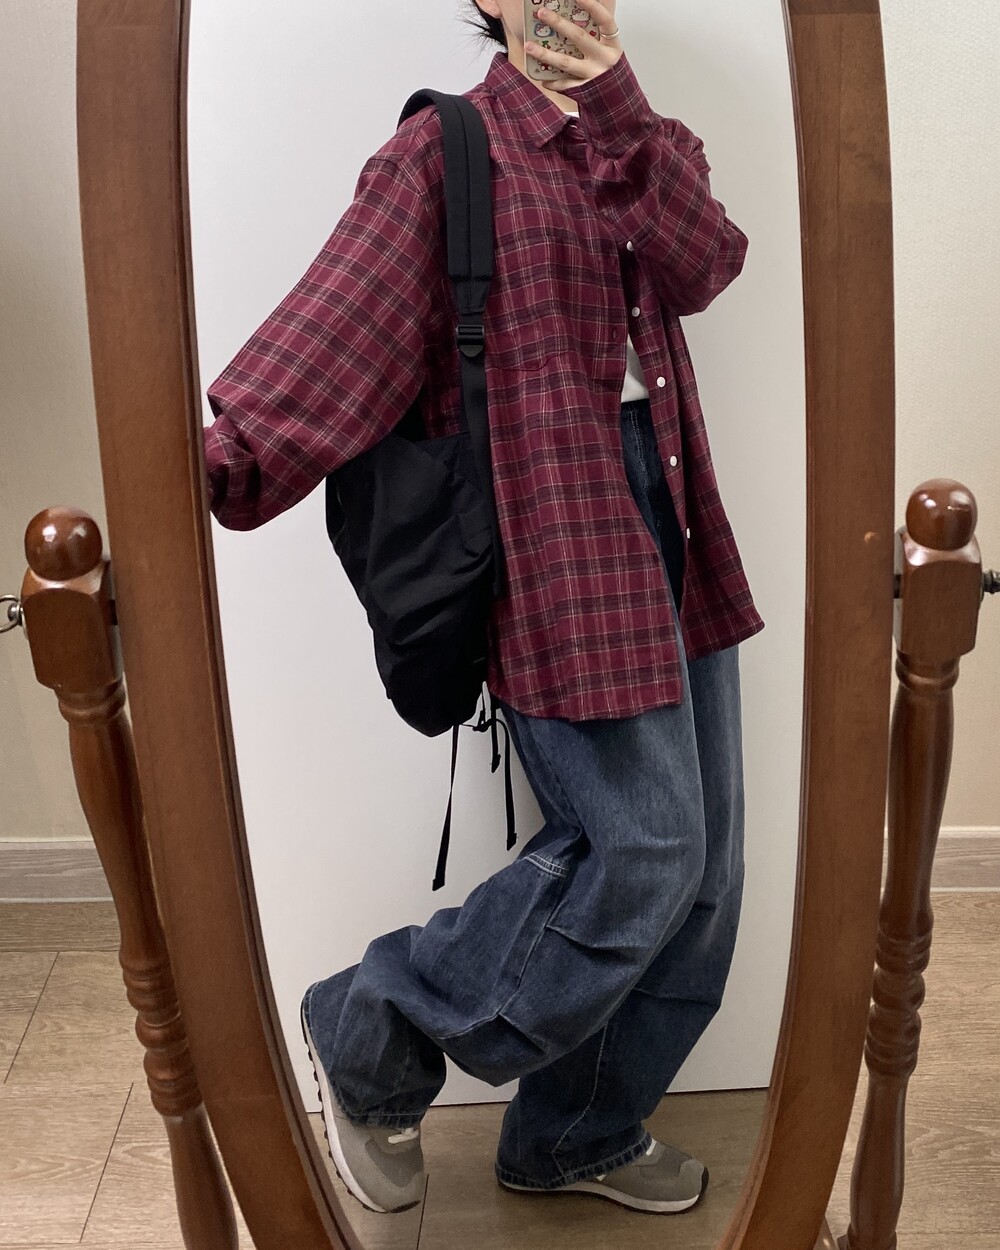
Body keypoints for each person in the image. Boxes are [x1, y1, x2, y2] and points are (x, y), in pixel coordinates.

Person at [203, 0, 763, 1220]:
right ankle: (372, 1027)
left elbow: (706, 262)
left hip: (672, 506)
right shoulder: (441, 152)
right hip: (554, 523)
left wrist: (616, 108)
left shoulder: (647, 136)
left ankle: (574, 1130)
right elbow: (338, 331)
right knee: (644, 850)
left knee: (705, 872)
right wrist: (210, 466)